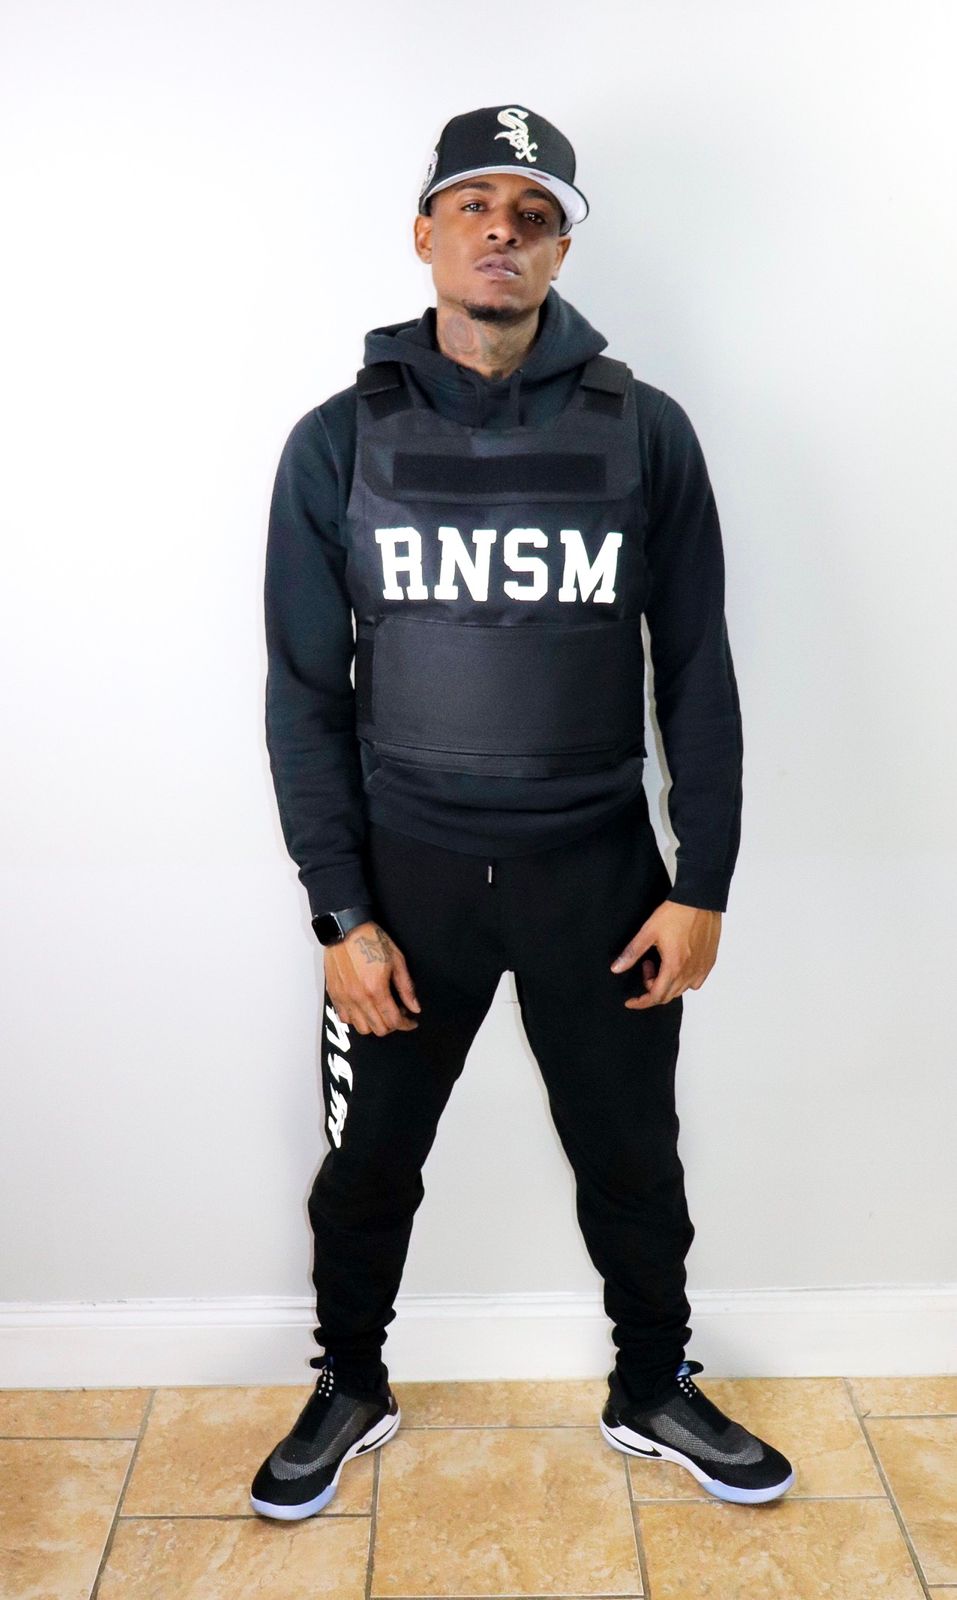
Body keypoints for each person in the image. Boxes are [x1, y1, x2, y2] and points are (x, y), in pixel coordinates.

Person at [251, 103, 794, 1521]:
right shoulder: (336, 440)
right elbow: (304, 691)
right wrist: (339, 913)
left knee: (633, 1161)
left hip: (597, 877)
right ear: (425, 233)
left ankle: (653, 1383)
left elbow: (696, 668)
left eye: (534, 213)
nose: (502, 229)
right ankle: (348, 1382)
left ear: (560, 249)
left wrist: (704, 881)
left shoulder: (645, 431)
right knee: (369, 1165)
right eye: (474, 204)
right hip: (407, 881)